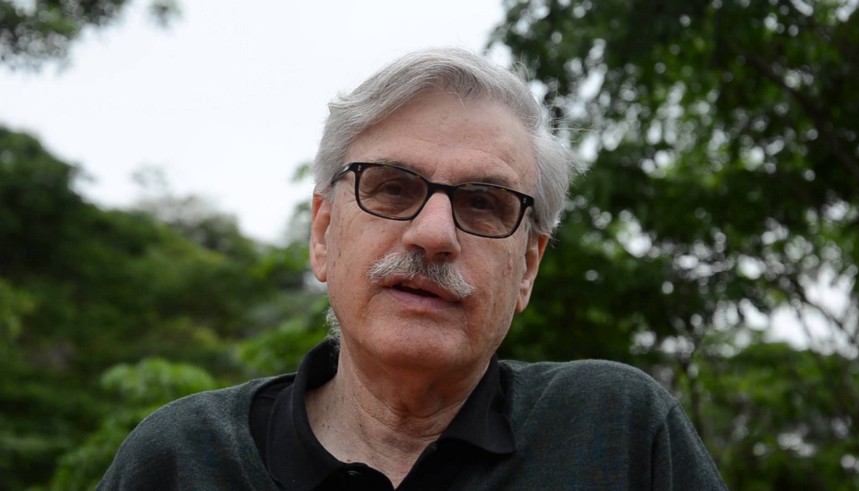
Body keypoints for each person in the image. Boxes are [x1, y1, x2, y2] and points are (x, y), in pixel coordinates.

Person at [99, 47, 727, 490]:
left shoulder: (617, 434)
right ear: (323, 234)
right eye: (393, 188)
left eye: (483, 203)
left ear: (527, 268)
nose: (433, 235)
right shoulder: (182, 459)